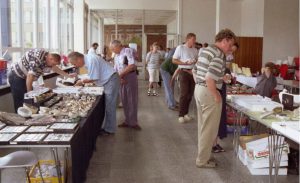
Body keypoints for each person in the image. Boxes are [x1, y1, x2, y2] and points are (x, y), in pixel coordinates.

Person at [193, 28, 236, 168]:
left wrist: (220, 77)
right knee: (209, 129)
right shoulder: (219, 54)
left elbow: (196, 71)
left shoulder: (205, 50)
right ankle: (202, 160)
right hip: (208, 92)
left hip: (199, 90)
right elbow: (209, 78)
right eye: (230, 45)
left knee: (203, 127)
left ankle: (204, 156)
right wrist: (216, 94)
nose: (230, 49)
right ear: (224, 41)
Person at [67, 51, 120, 135]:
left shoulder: (91, 60)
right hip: (107, 80)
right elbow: (91, 74)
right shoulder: (88, 59)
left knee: (110, 106)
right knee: (108, 105)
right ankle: (107, 127)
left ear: (78, 59)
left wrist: (81, 81)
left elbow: (94, 77)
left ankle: (109, 130)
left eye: (74, 64)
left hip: (110, 80)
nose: (75, 66)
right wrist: (78, 77)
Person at [212, 42, 239, 153]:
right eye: (230, 50)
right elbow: (212, 76)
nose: (231, 53)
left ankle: (215, 142)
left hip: (221, 87)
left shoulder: (225, 57)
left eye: (233, 52)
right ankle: (212, 144)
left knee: (220, 117)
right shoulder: (218, 56)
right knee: (215, 118)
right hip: (216, 89)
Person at [110, 40, 141, 130]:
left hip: (130, 76)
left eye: (113, 48)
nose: (112, 50)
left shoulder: (128, 51)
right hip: (121, 78)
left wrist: (120, 76)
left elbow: (132, 65)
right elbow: (116, 68)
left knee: (132, 100)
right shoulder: (116, 55)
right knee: (124, 100)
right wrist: (118, 77)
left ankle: (133, 122)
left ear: (118, 46)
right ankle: (127, 121)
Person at [172, 33, 198, 123]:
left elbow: (196, 61)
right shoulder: (181, 48)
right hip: (183, 72)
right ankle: (181, 115)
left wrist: (195, 62)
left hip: (192, 73)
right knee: (184, 93)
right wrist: (184, 63)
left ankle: (186, 113)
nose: (194, 41)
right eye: (193, 39)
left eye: (195, 39)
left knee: (190, 94)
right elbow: (174, 60)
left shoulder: (195, 50)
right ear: (188, 39)